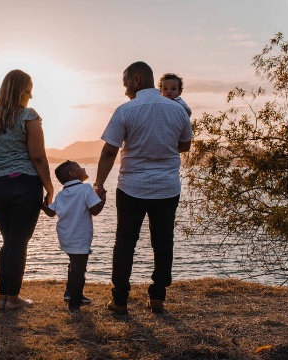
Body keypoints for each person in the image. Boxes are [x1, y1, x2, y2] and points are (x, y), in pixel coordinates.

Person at [94, 61, 193, 314]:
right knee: (163, 242)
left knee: (125, 243)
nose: (125, 89)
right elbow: (184, 146)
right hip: (167, 188)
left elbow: (108, 151)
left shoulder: (126, 110)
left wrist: (99, 184)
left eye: (126, 82)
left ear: (137, 79)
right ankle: (158, 297)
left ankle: (119, 300)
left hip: (131, 188)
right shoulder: (178, 111)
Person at [0, 69, 54, 311]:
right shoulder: (28, 116)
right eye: (28, 91)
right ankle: (12, 299)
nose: (30, 97)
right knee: (19, 242)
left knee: (9, 241)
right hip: (23, 183)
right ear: (19, 91)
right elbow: (39, 156)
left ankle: (4, 297)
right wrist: (49, 187)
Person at [42, 160, 106, 314]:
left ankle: (71, 293)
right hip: (80, 238)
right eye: (79, 167)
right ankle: (74, 304)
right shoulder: (85, 189)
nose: (83, 168)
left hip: (65, 237)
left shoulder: (62, 193)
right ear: (73, 173)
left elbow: (51, 212)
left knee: (74, 266)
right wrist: (102, 198)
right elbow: (95, 210)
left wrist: (44, 202)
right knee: (79, 270)